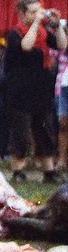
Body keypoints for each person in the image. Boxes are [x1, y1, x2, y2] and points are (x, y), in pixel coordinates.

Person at [3, 0, 66, 183]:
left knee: (44, 130)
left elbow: (62, 45)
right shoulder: (14, 34)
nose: (37, 14)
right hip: (19, 91)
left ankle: (49, 171)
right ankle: (18, 171)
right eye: (32, 12)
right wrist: (37, 22)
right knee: (21, 133)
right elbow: (26, 45)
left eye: (38, 11)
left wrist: (58, 25)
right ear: (22, 14)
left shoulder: (44, 32)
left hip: (41, 90)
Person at [53, 45, 68, 173]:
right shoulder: (61, 38)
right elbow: (52, 61)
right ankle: (62, 160)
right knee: (63, 124)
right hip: (63, 86)